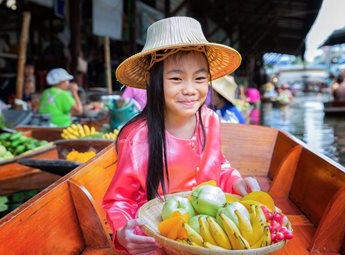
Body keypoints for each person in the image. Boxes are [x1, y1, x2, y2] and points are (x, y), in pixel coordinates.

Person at [102, 17, 260, 254]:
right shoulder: (136, 137)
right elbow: (119, 201)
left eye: (199, 78)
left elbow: (220, 165)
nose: (190, 89)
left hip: (207, 234)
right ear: (151, 81)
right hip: (157, 239)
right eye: (176, 78)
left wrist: (236, 181)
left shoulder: (210, 120)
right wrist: (125, 232)